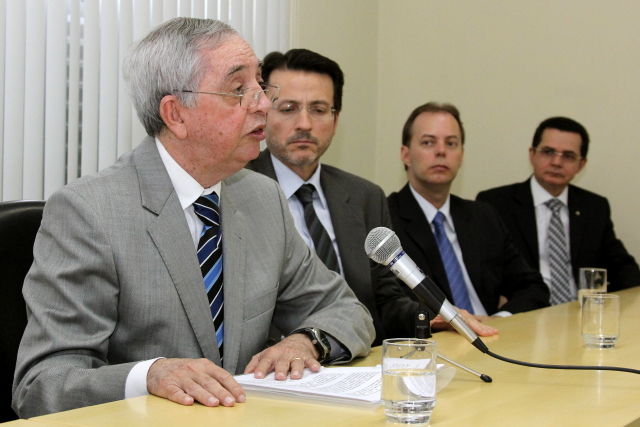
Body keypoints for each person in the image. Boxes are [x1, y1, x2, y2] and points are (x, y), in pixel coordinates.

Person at [12, 18, 374, 418]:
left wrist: (306, 341)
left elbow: (347, 310)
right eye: (238, 90)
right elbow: (42, 385)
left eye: (259, 85)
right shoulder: (89, 212)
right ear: (176, 114)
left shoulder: (262, 198)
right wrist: (150, 375)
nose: (263, 104)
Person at [247, 49, 497, 343]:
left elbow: (385, 301)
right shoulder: (237, 190)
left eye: (318, 109)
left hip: (359, 359)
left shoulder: (364, 196)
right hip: (280, 360)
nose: (304, 123)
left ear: (336, 120)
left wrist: (431, 317)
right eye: (288, 108)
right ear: (263, 114)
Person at [388, 102, 550, 318]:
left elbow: (533, 287)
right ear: (406, 154)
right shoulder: (385, 219)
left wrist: (498, 320)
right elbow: (389, 306)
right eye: (428, 142)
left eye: (451, 143)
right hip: (433, 335)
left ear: (461, 155)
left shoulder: (483, 216)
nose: (441, 151)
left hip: (493, 331)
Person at [477, 117, 640, 304]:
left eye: (568, 156)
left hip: (581, 310)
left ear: (581, 164)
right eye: (548, 152)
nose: (556, 162)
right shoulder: (495, 204)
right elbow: (484, 270)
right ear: (532, 154)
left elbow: (623, 267)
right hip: (525, 310)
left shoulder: (594, 207)